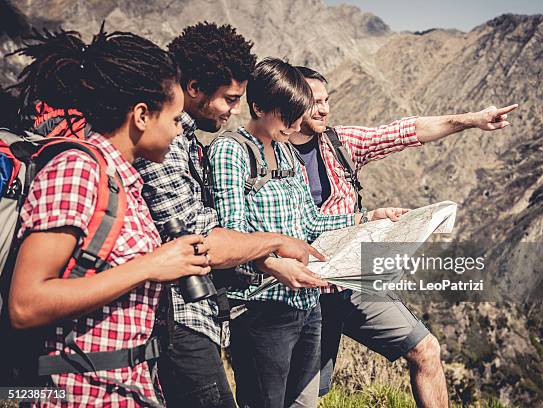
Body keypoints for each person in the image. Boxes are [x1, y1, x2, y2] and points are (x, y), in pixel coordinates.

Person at [289, 66, 519, 408]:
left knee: (426, 350)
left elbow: (404, 131)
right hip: (303, 289)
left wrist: (472, 119)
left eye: (326, 100)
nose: (323, 109)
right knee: (304, 396)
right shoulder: (272, 153)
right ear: (291, 102)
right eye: (314, 102)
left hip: (353, 284)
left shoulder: (340, 143)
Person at [7, 26, 210, 407]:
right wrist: (151, 266)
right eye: (175, 118)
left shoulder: (122, 181)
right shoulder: (77, 170)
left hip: (124, 393)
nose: (179, 131)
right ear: (142, 116)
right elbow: (26, 303)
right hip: (78, 396)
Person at [134, 23, 325, 408]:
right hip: (175, 315)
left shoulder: (187, 141)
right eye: (229, 99)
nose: (235, 110)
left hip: (196, 314)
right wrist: (275, 245)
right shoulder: (167, 146)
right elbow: (203, 238)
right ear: (194, 89)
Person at [209, 57, 405, 408]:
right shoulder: (231, 151)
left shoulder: (287, 152)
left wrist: (368, 218)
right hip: (262, 309)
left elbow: (311, 224)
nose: (296, 123)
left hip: (307, 305)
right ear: (258, 107)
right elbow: (231, 234)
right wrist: (271, 264)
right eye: (288, 115)